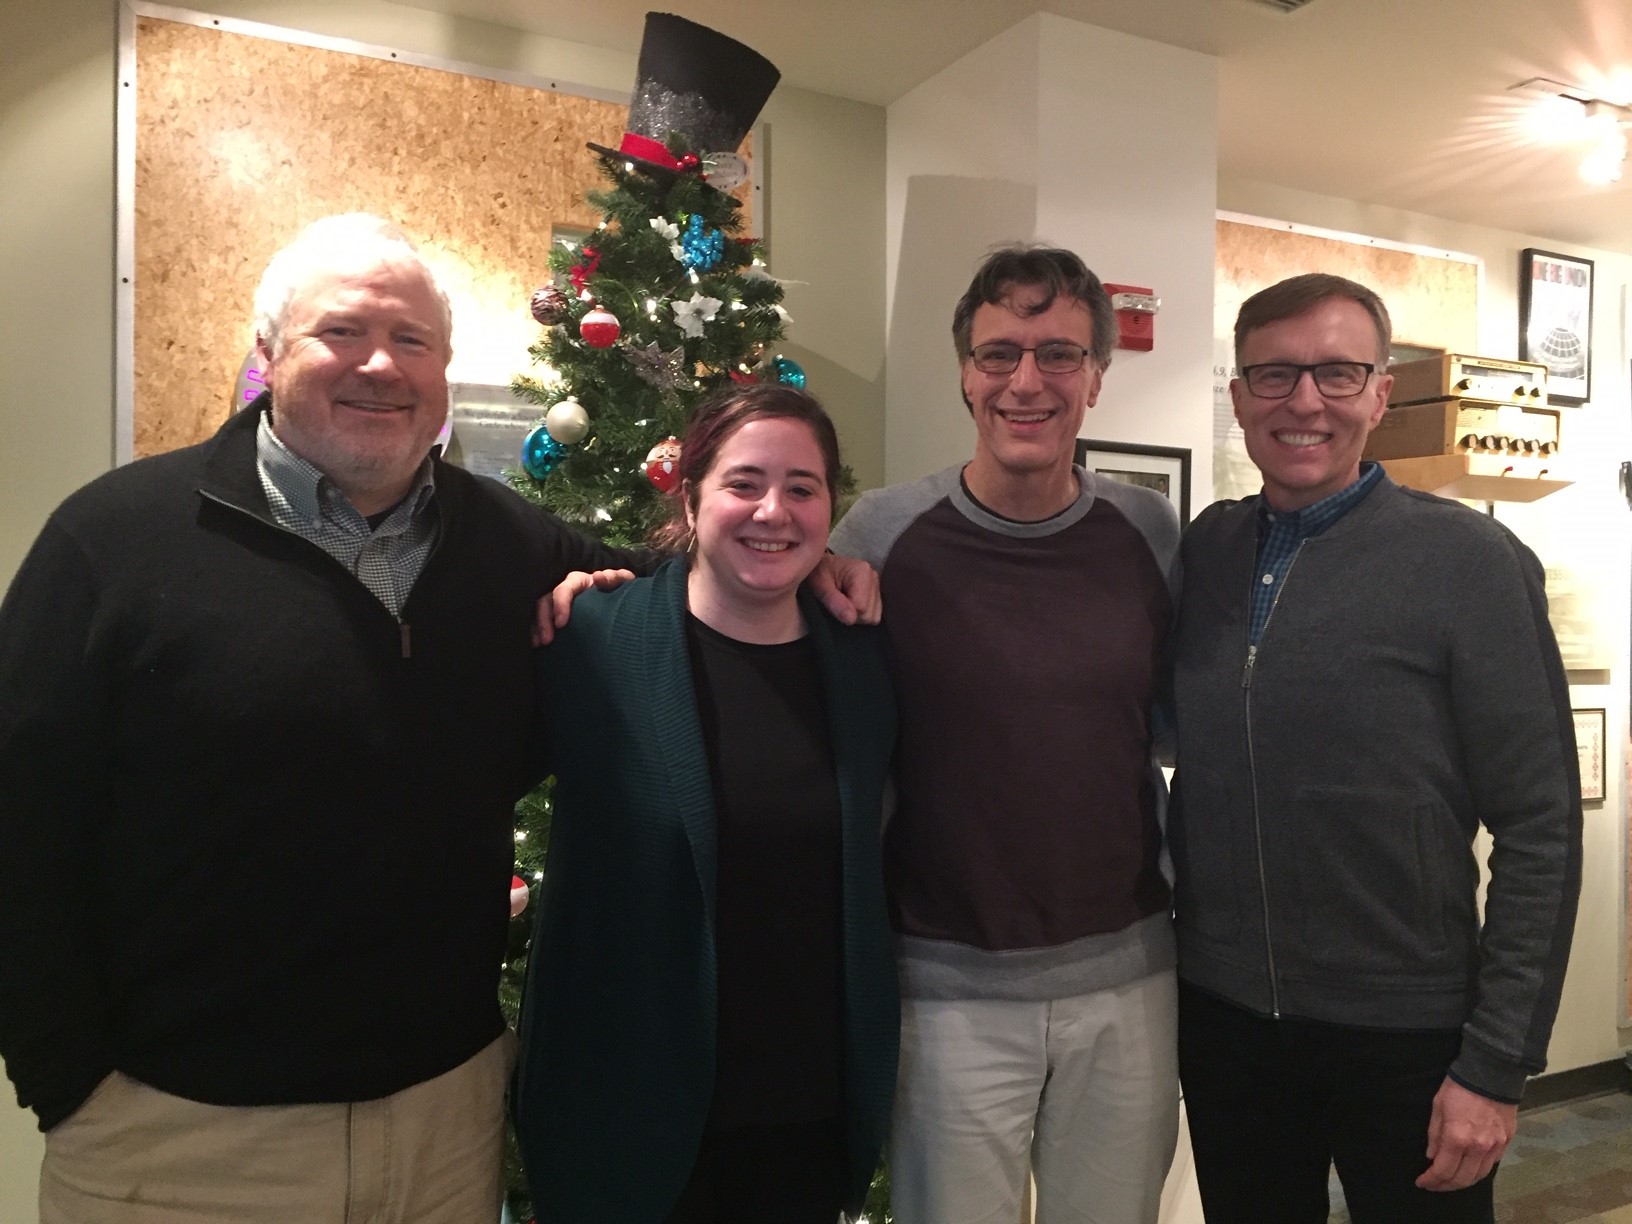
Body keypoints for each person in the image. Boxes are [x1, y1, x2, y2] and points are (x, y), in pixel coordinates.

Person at [0, 214, 876, 1223]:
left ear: (444, 370)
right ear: (269, 352)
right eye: (342, 332)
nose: (380, 364)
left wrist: (820, 570)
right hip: (184, 1141)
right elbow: (23, 829)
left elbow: (702, 584)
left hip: (442, 1129)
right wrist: (68, 1083)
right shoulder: (112, 543)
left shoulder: (508, 541)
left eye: (412, 340)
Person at [1169, 272, 1582, 1222]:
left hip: (1412, 1036)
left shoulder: (1469, 565)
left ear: (1382, 392)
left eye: (1338, 372)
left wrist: (1496, 1064)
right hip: (1230, 1025)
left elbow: (1541, 827)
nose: (1304, 401)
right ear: (1238, 398)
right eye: (1273, 375)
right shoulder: (1208, 551)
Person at [829, 244, 1181, 1223]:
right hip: (945, 988)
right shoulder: (879, 534)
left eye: (1059, 354)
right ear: (963, 373)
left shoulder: (1151, 535)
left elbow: (1169, 725)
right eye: (1000, 354)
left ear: (1098, 379)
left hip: (1129, 982)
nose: (1027, 381)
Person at [511, 383, 898, 1224]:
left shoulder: (864, 657)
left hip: (806, 1121)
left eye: (803, 488)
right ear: (690, 497)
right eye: (743, 482)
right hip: (625, 1122)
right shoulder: (591, 637)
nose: (774, 510)